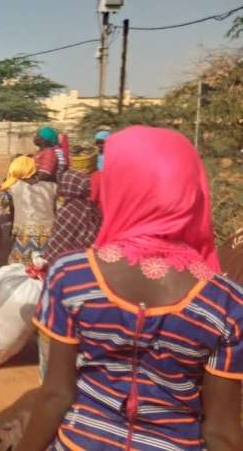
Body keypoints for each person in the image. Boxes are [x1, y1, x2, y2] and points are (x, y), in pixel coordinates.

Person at [14, 126, 242, 451]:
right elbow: (222, 431)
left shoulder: (72, 275)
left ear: (119, 188)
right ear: (192, 192)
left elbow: (56, 394)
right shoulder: (226, 304)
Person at [0, 156, 57, 268]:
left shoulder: (11, 188)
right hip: (50, 238)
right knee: (48, 269)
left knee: (19, 271)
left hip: (24, 239)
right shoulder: (53, 187)